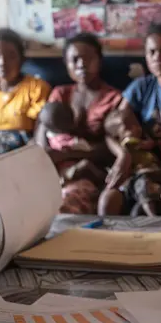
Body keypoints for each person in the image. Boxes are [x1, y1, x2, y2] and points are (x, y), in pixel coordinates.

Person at [35, 33, 136, 214]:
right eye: (75, 60)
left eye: (88, 58)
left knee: (63, 206)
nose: (81, 64)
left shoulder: (113, 98)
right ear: (67, 65)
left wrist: (68, 154)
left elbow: (109, 148)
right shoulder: (60, 94)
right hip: (52, 171)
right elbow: (43, 129)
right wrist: (46, 158)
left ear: (99, 60)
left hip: (92, 174)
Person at [119, 23, 161, 215]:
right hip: (151, 165)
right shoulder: (141, 87)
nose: (158, 57)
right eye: (152, 52)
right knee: (138, 208)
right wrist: (129, 139)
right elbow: (119, 117)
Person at [0, 28, 50, 163]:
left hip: (23, 151)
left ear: (22, 59)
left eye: (10, 56)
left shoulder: (36, 88)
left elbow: (39, 132)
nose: (2, 62)